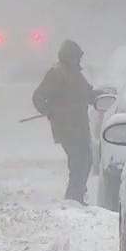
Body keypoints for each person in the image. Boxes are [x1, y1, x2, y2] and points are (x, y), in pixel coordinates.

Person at [32, 40, 97, 204]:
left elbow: (86, 93)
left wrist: (97, 96)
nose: (79, 61)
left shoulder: (75, 74)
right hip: (66, 127)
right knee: (78, 161)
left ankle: (77, 195)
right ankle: (74, 198)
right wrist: (49, 110)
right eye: (77, 57)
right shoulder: (57, 74)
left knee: (86, 160)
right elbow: (39, 96)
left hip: (80, 125)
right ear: (69, 56)